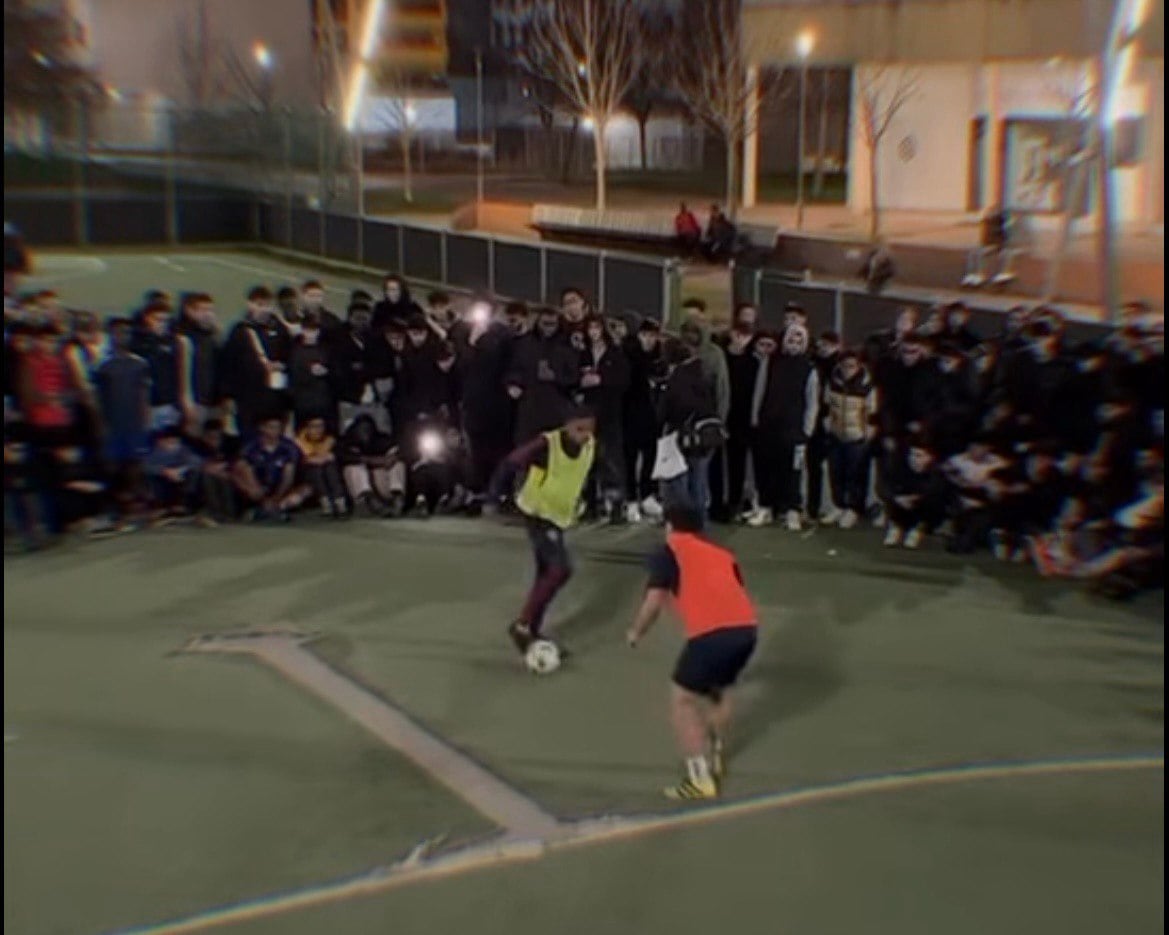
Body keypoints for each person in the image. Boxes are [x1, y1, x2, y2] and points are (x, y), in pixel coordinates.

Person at [625, 503, 757, 801]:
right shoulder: (723, 554)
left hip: (711, 635)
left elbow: (655, 599)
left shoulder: (669, 551)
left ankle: (699, 778)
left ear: (670, 526)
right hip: (746, 630)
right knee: (719, 689)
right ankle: (717, 751)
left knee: (682, 700)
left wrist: (636, 631)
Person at [487, 406, 596, 657]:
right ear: (567, 426)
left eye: (590, 429)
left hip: (558, 517)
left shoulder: (590, 446)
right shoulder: (546, 444)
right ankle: (522, 625)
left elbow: (594, 468)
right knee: (560, 568)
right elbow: (511, 462)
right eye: (579, 429)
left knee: (545, 574)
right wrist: (495, 495)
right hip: (538, 514)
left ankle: (531, 633)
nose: (585, 435)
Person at [232, 413, 307, 522]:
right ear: (262, 428)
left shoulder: (288, 447)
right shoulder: (251, 446)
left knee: (301, 493)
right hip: (259, 488)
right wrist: (254, 490)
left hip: (281, 489)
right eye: (271, 427)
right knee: (245, 470)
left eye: (278, 427)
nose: (275, 431)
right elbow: (239, 469)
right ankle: (259, 508)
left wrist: (277, 496)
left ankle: (277, 508)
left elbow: (289, 475)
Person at [295, 415, 348, 517]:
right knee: (315, 469)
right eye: (314, 426)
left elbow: (333, 456)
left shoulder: (330, 440)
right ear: (307, 428)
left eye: (320, 426)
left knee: (330, 467)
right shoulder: (298, 441)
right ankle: (325, 501)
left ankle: (339, 501)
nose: (318, 430)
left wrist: (324, 458)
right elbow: (302, 460)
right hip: (305, 474)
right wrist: (316, 459)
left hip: (326, 470)